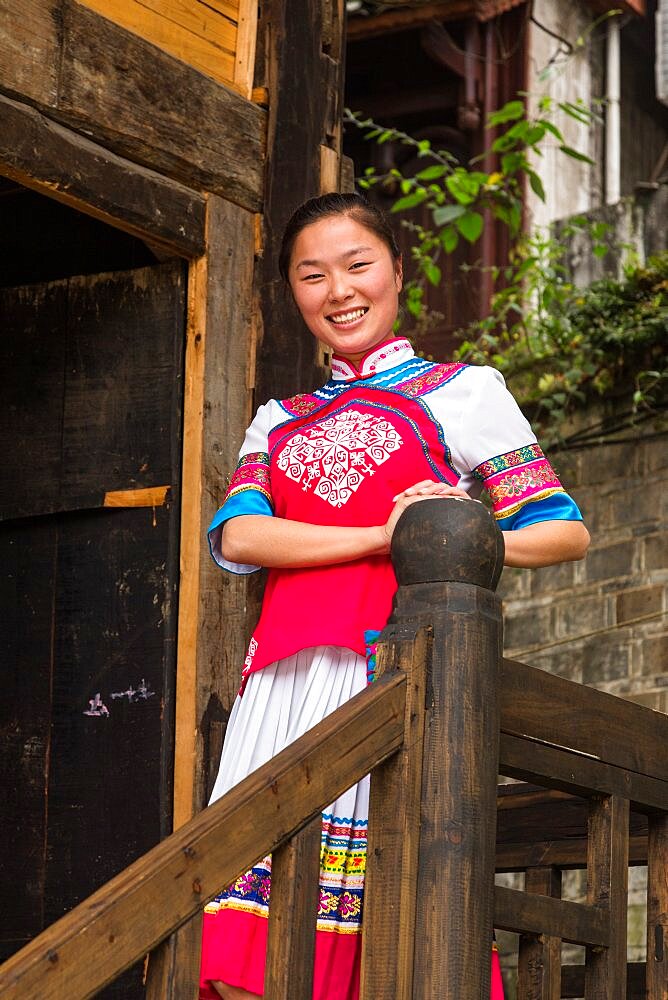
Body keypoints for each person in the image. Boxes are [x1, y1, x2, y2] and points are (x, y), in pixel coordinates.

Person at [199, 193, 590, 1000]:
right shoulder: (279, 417)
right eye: (312, 275)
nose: (338, 290)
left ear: (398, 272)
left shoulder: (465, 392)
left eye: (357, 265)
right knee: (250, 959)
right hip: (277, 691)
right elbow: (239, 539)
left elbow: (561, 531)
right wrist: (392, 534)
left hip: (391, 674)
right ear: (293, 293)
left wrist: (458, 539)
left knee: (393, 935)